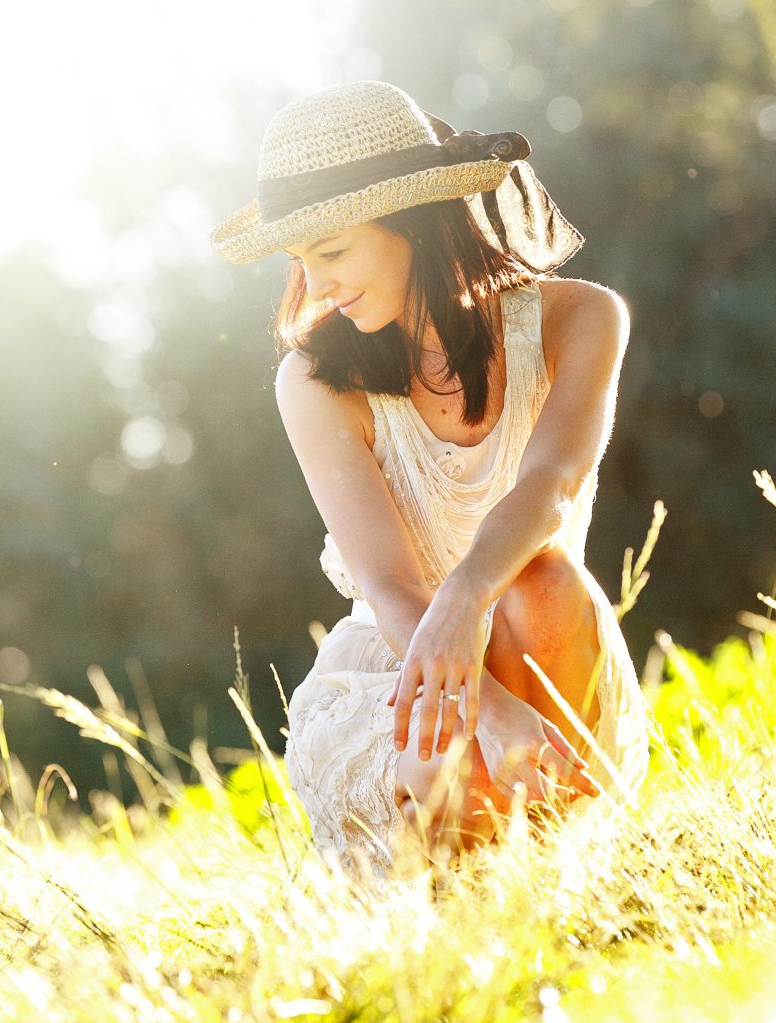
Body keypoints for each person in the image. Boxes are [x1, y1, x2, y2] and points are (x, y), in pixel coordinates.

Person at [211, 80, 649, 872]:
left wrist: (468, 590)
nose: (316, 289)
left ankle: (551, 864)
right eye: (300, 263)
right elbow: (385, 583)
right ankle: (434, 905)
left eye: (333, 252)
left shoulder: (578, 318)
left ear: (413, 222)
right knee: (454, 764)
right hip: (401, 652)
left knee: (539, 581)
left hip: (547, 640)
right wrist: (491, 708)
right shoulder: (314, 381)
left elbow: (550, 484)